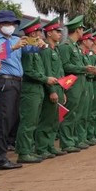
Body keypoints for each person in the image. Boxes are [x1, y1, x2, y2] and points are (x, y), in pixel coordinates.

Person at [0, 9, 38, 170]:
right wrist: (12, 47)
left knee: (10, 120)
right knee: (2, 120)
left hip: (16, 82)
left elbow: (32, 48)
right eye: (6, 23)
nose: (10, 26)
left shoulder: (17, 38)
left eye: (12, 23)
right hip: (2, 82)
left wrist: (39, 44)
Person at [16, 18, 55, 163]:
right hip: (30, 89)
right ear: (33, 34)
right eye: (39, 32)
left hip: (37, 89)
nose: (41, 35)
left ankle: (29, 149)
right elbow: (28, 71)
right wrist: (45, 79)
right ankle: (23, 152)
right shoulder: (27, 50)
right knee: (28, 121)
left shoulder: (35, 50)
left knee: (33, 121)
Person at [57, 15, 96, 153]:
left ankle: (74, 139)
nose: (82, 32)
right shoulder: (66, 46)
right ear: (77, 30)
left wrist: (87, 69)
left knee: (78, 113)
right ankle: (67, 142)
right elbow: (65, 66)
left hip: (80, 82)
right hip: (72, 83)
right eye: (81, 29)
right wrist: (83, 69)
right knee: (70, 113)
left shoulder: (75, 48)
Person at [34, 17, 67, 158]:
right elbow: (47, 72)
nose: (59, 34)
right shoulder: (46, 50)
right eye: (56, 32)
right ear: (48, 33)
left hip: (59, 87)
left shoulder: (56, 49)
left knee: (55, 119)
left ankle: (50, 145)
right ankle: (42, 147)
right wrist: (52, 91)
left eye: (60, 32)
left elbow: (60, 71)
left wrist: (63, 91)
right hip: (51, 88)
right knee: (47, 119)